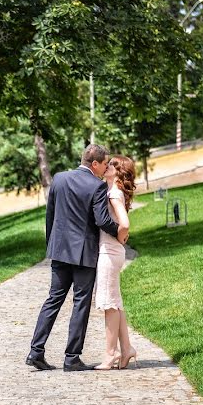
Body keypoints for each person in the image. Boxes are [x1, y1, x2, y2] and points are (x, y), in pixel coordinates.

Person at [26, 144, 129, 372]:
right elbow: (102, 221)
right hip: (83, 253)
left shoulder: (59, 178)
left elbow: (50, 216)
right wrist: (120, 233)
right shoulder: (97, 186)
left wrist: (50, 245)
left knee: (53, 299)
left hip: (59, 250)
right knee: (80, 303)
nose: (106, 168)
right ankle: (72, 358)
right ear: (95, 164)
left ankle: (36, 350)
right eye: (104, 164)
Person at [95, 155, 138, 370]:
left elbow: (125, 223)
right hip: (113, 252)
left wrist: (121, 237)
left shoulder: (113, 193)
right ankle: (127, 348)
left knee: (109, 305)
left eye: (110, 164)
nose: (106, 165)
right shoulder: (113, 190)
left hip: (110, 253)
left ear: (118, 170)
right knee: (116, 303)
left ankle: (110, 354)